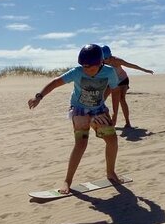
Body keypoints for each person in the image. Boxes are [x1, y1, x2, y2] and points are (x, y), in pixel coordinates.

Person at [28, 44, 120, 194]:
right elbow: (56, 82)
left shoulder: (110, 72)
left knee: (112, 140)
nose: (87, 71)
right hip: (79, 110)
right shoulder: (77, 72)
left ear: (100, 63)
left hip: (99, 109)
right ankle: (67, 181)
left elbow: (115, 91)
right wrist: (39, 96)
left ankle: (111, 172)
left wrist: (116, 113)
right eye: (84, 67)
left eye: (90, 68)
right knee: (81, 144)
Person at [101, 45, 154, 128]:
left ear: (110, 56)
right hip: (112, 82)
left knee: (121, 99)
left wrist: (145, 70)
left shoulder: (117, 61)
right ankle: (106, 119)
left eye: (106, 58)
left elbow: (131, 65)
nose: (105, 61)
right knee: (101, 100)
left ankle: (127, 122)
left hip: (122, 80)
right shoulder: (101, 62)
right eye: (103, 59)